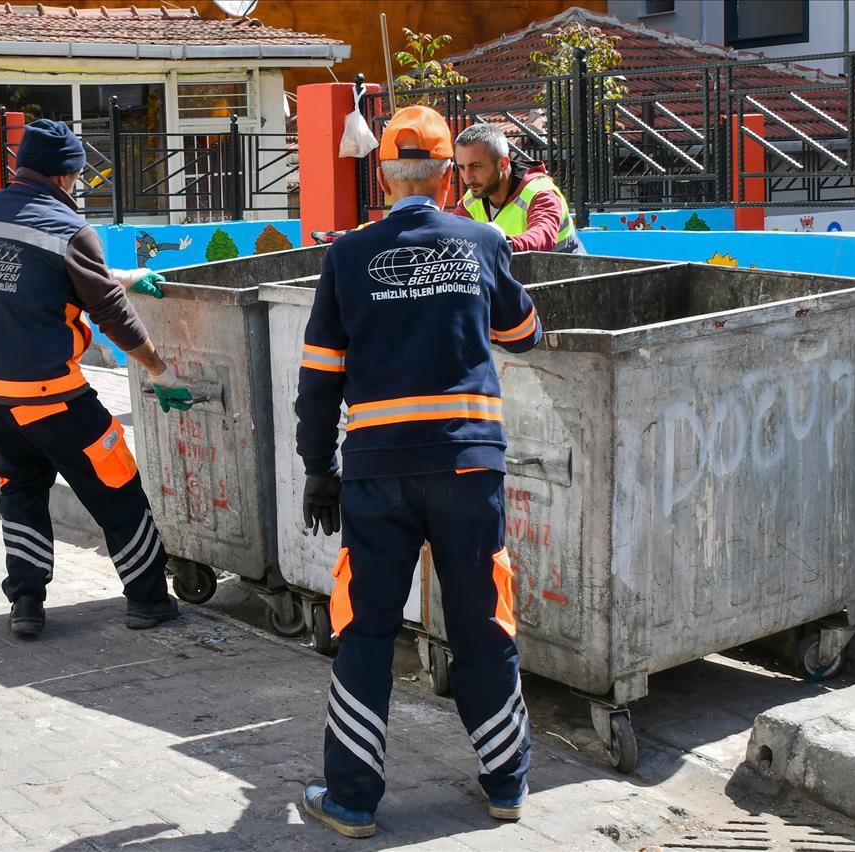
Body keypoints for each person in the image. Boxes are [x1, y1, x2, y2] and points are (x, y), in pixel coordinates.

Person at [294, 105, 541, 838]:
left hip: (376, 472)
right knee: (482, 625)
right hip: (468, 467)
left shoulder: (344, 257)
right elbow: (523, 335)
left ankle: (352, 802)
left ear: (383, 173)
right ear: (445, 179)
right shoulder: (481, 240)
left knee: (366, 632)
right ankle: (506, 785)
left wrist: (317, 468)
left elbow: (319, 377)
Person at [0, 119, 194, 638]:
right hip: (50, 396)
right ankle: (149, 599)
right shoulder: (68, 230)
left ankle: (25, 601)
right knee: (116, 485)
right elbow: (112, 316)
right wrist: (160, 372)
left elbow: (37, 277)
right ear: (67, 177)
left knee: (21, 487)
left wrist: (126, 275)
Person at [452, 122, 585, 254]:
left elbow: (541, 237)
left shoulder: (541, 192)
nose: (468, 178)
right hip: (519, 271)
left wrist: (497, 246)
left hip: (568, 272)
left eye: (476, 166)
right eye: (462, 167)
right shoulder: (472, 198)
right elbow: (450, 235)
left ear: (503, 163)